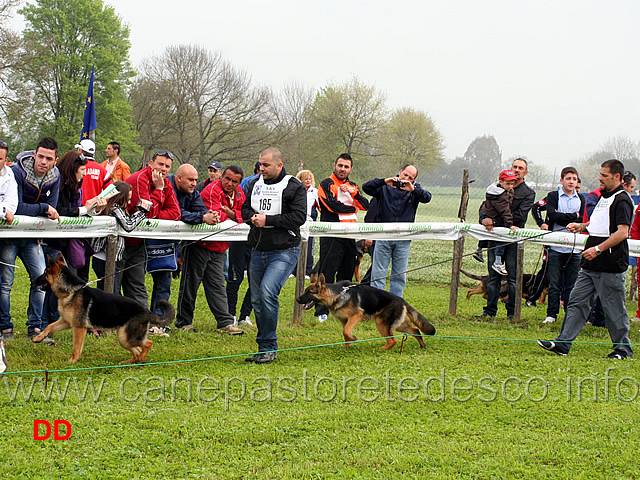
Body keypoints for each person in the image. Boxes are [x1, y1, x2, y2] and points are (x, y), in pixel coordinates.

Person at [538, 159, 634, 359]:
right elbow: (600, 223)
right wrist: (581, 227)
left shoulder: (623, 200)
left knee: (613, 309)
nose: (600, 178)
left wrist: (598, 249)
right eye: (600, 174)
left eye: (604, 175)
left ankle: (623, 349)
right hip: (590, 263)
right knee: (576, 302)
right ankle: (563, 344)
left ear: (617, 177)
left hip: (610, 264)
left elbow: (622, 233)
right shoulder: (604, 197)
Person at [242, 147, 306, 364]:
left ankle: (269, 347)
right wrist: (252, 217)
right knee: (256, 299)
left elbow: (298, 217)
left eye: (266, 165)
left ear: (279, 165)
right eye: (260, 164)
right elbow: (244, 209)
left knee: (268, 292)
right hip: (258, 249)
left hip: (285, 250)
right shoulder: (253, 184)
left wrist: (268, 220)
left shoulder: (294, 187)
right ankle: (263, 347)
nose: (262, 168)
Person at [0, 137, 60, 341]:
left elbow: (54, 208)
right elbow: (16, 208)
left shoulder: (55, 176)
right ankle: (5, 327)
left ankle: (35, 327)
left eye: (48, 158)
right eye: (40, 156)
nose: (43, 161)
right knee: (6, 283)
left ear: (55, 160)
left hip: (33, 237)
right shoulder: (16, 172)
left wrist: (45, 211)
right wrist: (43, 209)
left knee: (41, 280)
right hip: (11, 235)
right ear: (34, 155)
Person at [175, 166, 245, 334]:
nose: (229, 183)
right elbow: (214, 216)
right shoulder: (212, 189)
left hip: (220, 247)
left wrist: (232, 214)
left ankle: (225, 322)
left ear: (239, 182)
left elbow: (244, 214)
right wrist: (230, 215)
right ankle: (184, 322)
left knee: (217, 285)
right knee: (190, 284)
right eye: (227, 178)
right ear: (222, 175)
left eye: (234, 181)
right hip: (200, 244)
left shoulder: (240, 193)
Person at [475, 158, 535, 319]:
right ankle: (489, 311)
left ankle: (512, 313)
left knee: (513, 278)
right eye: (514, 167)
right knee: (493, 276)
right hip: (495, 237)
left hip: (513, 238)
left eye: (520, 168)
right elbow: (485, 207)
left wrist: (494, 221)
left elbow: (520, 215)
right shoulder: (496, 188)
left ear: (525, 173)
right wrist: (483, 219)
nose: (517, 170)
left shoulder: (528, 193)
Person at [121, 150, 181, 308]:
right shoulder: (140, 179)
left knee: (137, 286)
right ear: (151, 164)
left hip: (138, 242)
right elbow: (147, 214)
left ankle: (141, 322)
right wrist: (159, 191)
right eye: (160, 164)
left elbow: (176, 213)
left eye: (167, 166)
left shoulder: (165, 182)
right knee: (113, 285)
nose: (163, 169)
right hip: (121, 240)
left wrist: (157, 208)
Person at [362, 164, 431, 296]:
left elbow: (427, 197)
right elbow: (366, 187)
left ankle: (396, 305)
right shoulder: (384, 187)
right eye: (405, 175)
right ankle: (378, 304)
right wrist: (384, 181)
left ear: (414, 180)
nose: (406, 178)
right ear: (400, 172)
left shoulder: (414, 190)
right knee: (378, 274)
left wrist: (413, 189)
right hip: (383, 236)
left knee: (399, 275)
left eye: (411, 177)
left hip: (403, 239)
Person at [316, 153, 369, 321]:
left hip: (349, 235)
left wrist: (353, 194)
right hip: (331, 234)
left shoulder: (353, 186)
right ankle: (321, 310)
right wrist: (352, 208)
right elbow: (331, 206)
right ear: (335, 165)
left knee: (347, 272)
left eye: (346, 167)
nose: (343, 169)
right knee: (327, 272)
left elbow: (366, 205)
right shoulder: (326, 184)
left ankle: (343, 306)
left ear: (351, 169)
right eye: (340, 165)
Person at [531, 166, 584, 324]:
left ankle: (570, 315)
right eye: (568, 178)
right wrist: (573, 216)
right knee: (554, 283)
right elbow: (553, 215)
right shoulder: (553, 196)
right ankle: (551, 314)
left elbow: (582, 221)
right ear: (562, 180)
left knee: (571, 285)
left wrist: (574, 219)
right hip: (555, 247)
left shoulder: (581, 198)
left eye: (574, 179)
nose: (571, 182)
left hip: (574, 248)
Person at [91, 182, 151, 292]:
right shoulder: (115, 209)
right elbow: (128, 225)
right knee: (110, 292)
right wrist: (142, 213)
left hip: (102, 257)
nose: (129, 203)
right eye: (127, 199)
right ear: (120, 198)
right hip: (105, 258)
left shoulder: (110, 208)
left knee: (105, 290)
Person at [226, 162, 261, 326]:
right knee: (235, 278)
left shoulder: (279, 186)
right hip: (240, 238)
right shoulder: (249, 183)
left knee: (255, 280)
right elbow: (241, 209)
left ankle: (244, 315)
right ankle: (230, 314)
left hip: (259, 240)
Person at [479, 169, 518, 276]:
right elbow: (505, 210)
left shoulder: (495, 190)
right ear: (500, 182)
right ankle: (497, 261)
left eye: (512, 183)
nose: (510, 186)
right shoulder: (501, 196)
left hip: (488, 215)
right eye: (508, 183)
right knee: (501, 237)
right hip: (494, 217)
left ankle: (479, 249)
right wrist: (509, 224)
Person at [0, 139, 18, 340]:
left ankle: (5, 326)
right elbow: (8, 209)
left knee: (5, 282)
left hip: (4, 237)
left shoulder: (9, 174)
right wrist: (4, 210)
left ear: (6, 159)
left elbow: (13, 204)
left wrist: (6, 210)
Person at [296, 169, 319, 278]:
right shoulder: (296, 190)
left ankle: (307, 271)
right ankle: (294, 271)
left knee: (309, 247)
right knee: (296, 246)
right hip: (297, 222)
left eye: (310, 179)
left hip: (310, 222)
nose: (308, 181)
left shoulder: (315, 192)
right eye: (306, 179)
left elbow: (321, 207)